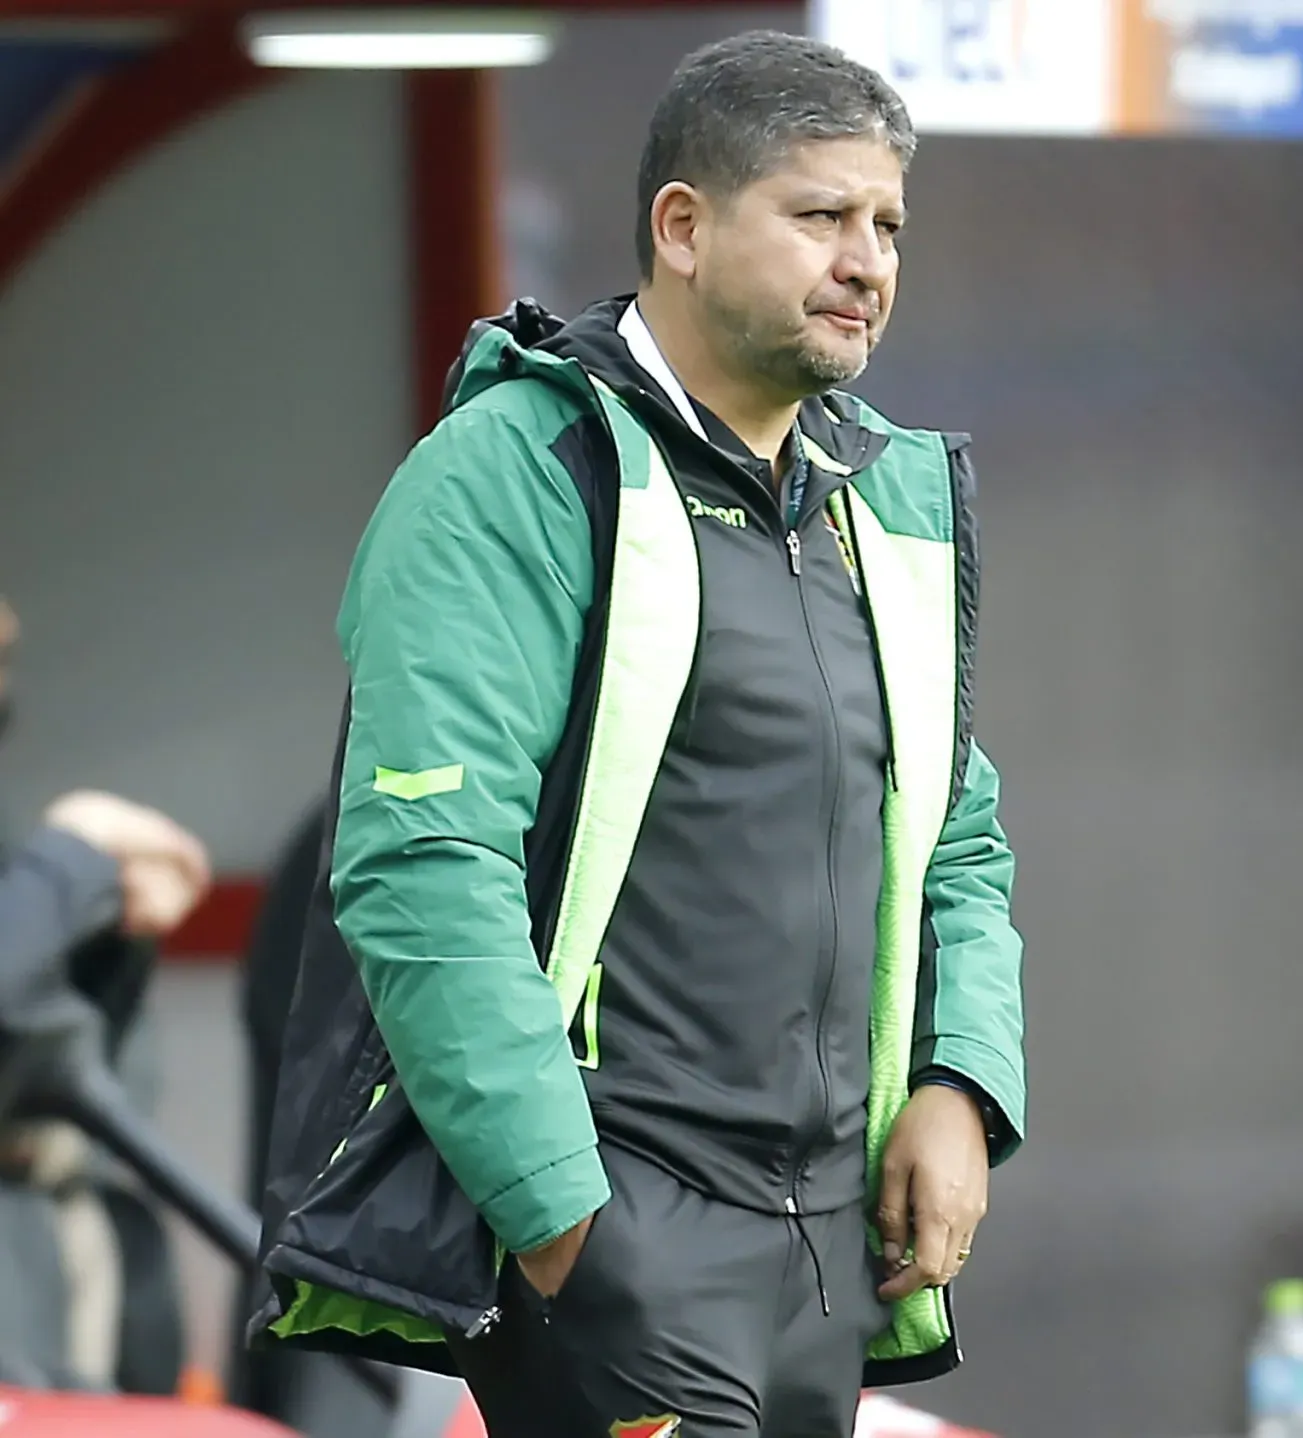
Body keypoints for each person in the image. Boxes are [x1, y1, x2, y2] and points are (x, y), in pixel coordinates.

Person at [247, 33, 1026, 1438]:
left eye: (889, 224)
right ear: (682, 225)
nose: (868, 261)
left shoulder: (888, 502)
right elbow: (424, 863)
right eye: (820, 216)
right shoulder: (514, 471)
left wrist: (964, 1087)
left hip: (833, 1249)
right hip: (623, 1229)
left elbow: (955, 836)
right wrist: (566, 1226)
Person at [0, 594, 211, 1389]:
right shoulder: (51, 859)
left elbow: (68, 1054)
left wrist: (112, 931)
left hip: (59, 1273)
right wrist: (74, 860)